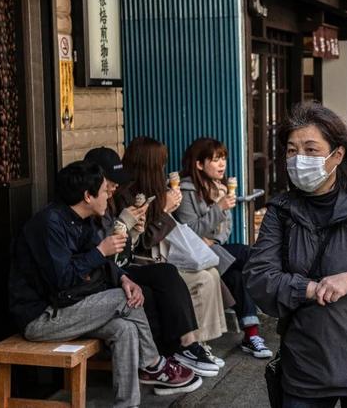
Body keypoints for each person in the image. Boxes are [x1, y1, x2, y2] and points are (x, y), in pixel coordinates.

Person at [244, 101, 347, 407]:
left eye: (311, 150)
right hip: (304, 368)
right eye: (292, 151)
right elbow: (259, 278)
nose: (299, 160)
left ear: (337, 155)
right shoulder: (280, 212)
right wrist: (308, 288)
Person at [9, 161, 200, 407]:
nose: (109, 195)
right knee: (125, 300)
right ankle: (153, 363)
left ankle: (127, 404)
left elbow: (102, 266)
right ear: (88, 196)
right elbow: (62, 280)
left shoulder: (83, 219)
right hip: (42, 317)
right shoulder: (49, 224)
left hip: (71, 307)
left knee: (125, 328)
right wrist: (100, 251)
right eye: (104, 190)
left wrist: (124, 278)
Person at [84, 147, 221, 378]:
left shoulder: (110, 199)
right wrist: (131, 223)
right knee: (156, 287)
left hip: (120, 268)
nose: (114, 188)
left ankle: (187, 346)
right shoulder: (93, 206)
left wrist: (133, 233)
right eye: (110, 182)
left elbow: (120, 253)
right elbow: (105, 256)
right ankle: (170, 355)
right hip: (107, 276)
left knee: (171, 273)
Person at [121, 136, 228, 373]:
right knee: (201, 279)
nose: (163, 168)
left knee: (211, 273)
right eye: (160, 163)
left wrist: (165, 207)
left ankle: (199, 344)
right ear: (148, 164)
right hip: (143, 262)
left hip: (163, 258)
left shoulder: (157, 190)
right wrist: (163, 210)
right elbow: (141, 241)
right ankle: (186, 347)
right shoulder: (126, 194)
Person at [174, 138, 272, 359]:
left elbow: (224, 231)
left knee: (237, 274)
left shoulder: (220, 187)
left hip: (215, 250)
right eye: (215, 159)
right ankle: (276, 290)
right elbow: (190, 231)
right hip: (193, 256)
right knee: (249, 255)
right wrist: (218, 208)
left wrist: (215, 239)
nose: (222, 165)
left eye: (223, 159)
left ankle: (251, 336)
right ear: (199, 164)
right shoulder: (184, 191)